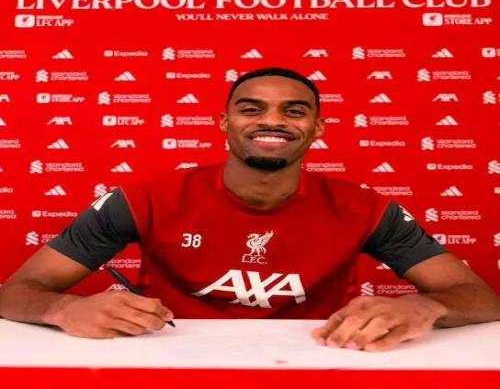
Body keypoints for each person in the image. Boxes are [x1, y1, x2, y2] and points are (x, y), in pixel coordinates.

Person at [0, 68, 498, 351]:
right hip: (165, 362)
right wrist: (64, 309)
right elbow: (15, 293)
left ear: (318, 128)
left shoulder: (365, 208)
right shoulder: (144, 198)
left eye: (295, 111)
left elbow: (482, 301)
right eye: (251, 108)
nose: (272, 121)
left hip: (321, 361)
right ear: (224, 122)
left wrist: (424, 306)